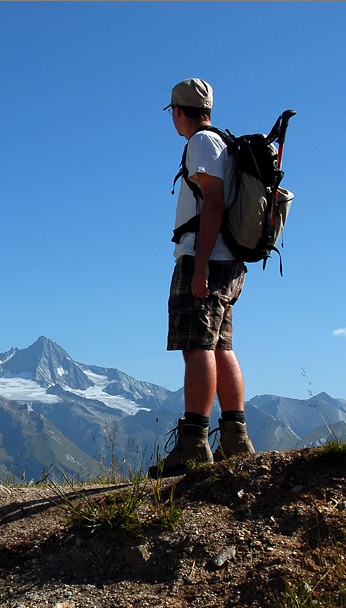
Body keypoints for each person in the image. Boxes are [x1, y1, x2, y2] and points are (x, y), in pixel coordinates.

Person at [150, 79, 254, 479]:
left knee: (196, 348)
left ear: (179, 110)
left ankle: (194, 445)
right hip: (233, 260)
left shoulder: (200, 144)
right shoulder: (226, 144)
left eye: (173, 112)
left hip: (205, 256)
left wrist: (203, 263)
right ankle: (235, 439)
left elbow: (211, 203)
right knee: (221, 346)